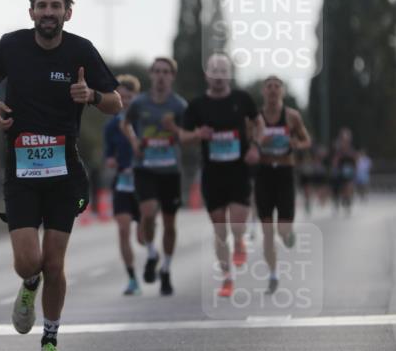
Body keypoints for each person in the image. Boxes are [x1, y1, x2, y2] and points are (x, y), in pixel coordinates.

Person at [0, 0, 121, 351]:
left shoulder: (81, 51)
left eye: (56, 6)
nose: (48, 13)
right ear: (31, 12)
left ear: (67, 13)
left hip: (64, 172)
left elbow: (115, 102)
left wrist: (92, 95)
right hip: (22, 171)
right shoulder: (12, 46)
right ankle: (29, 283)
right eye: (42, 6)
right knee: (29, 262)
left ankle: (50, 340)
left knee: (55, 264)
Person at [179, 53, 263, 298]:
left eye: (223, 72)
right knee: (219, 230)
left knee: (237, 224)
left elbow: (259, 124)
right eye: (214, 72)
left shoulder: (242, 99)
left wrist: (256, 147)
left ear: (230, 75)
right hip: (212, 173)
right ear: (207, 76)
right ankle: (227, 278)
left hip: (238, 171)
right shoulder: (197, 105)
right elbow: (183, 136)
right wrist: (198, 135)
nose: (218, 77)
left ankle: (240, 241)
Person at [121, 57, 187, 296]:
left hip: (170, 170)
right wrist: (134, 142)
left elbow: (188, 135)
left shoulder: (179, 105)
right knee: (148, 214)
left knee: (169, 223)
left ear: (172, 76)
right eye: (157, 71)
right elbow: (125, 124)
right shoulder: (140, 102)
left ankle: (166, 269)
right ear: (151, 74)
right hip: (145, 167)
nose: (161, 76)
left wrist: (174, 130)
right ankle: (151, 253)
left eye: (166, 72)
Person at [254, 76, 311, 293]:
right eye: (268, 86)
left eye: (277, 87)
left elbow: (307, 140)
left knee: (282, 230)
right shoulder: (256, 118)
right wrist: (259, 142)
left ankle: (288, 234)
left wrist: (296, 143)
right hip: (264, 174)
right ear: (263, 91)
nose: (272, 90)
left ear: (282, 92)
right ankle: (273, 274)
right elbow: (248, 143)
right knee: (267, 231)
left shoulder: (292, 116)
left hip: (285, 173)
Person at [103, 74, 144, 296]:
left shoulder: (145, 121)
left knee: (142, 237)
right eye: (121, 97)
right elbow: (108, 155)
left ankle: (152, 252)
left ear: (137, 98)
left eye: (129, 97)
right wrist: (111, 160)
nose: (125, 101)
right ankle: (132, 278)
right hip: (122, 182)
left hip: (144, 182)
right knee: (123, 229)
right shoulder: (111, 126)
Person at [330, 128, 358, 213]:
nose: (346, 140)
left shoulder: (351, 149)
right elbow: (335, 161)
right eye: (344, 138)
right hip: (340, 170)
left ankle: (347, 199)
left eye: (347, 138)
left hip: (349, 170)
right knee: (339, 187)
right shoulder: (337, 149)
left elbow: (355, 159)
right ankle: (340, 199)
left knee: (348, 184)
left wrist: (355, 168)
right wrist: (335, 167)